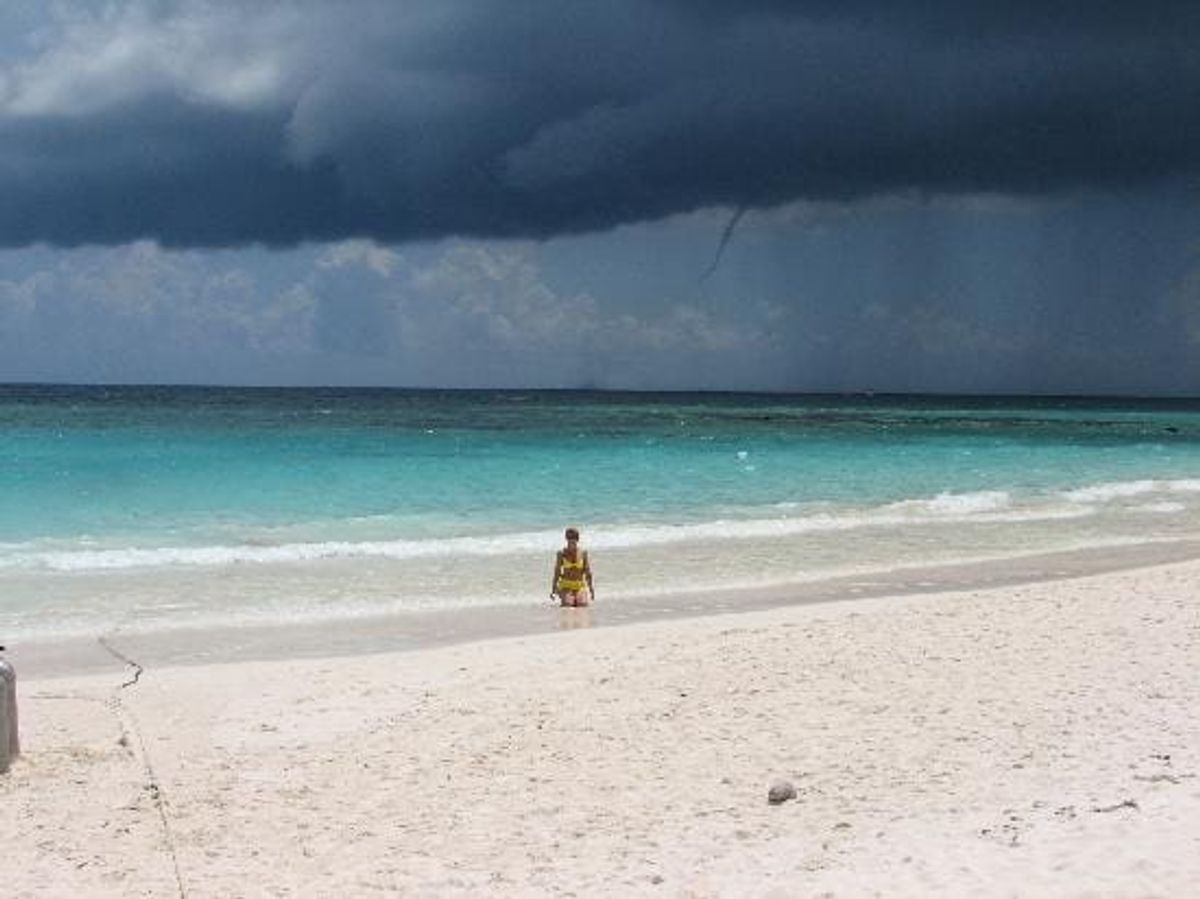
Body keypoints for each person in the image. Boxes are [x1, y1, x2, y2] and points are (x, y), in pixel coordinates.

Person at [550, 527, 594, 607]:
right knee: (568, 604)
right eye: (569, 538)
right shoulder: (561, 553)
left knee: (582, 604)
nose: (571, 540)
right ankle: (561, 593)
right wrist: (553, 589)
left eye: (574, 537)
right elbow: (557, 572)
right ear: (566, 539)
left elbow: (588, 572)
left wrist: (591, 590)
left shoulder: (583, 553)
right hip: (566, 585)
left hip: (579, 585)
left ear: (577, 539)